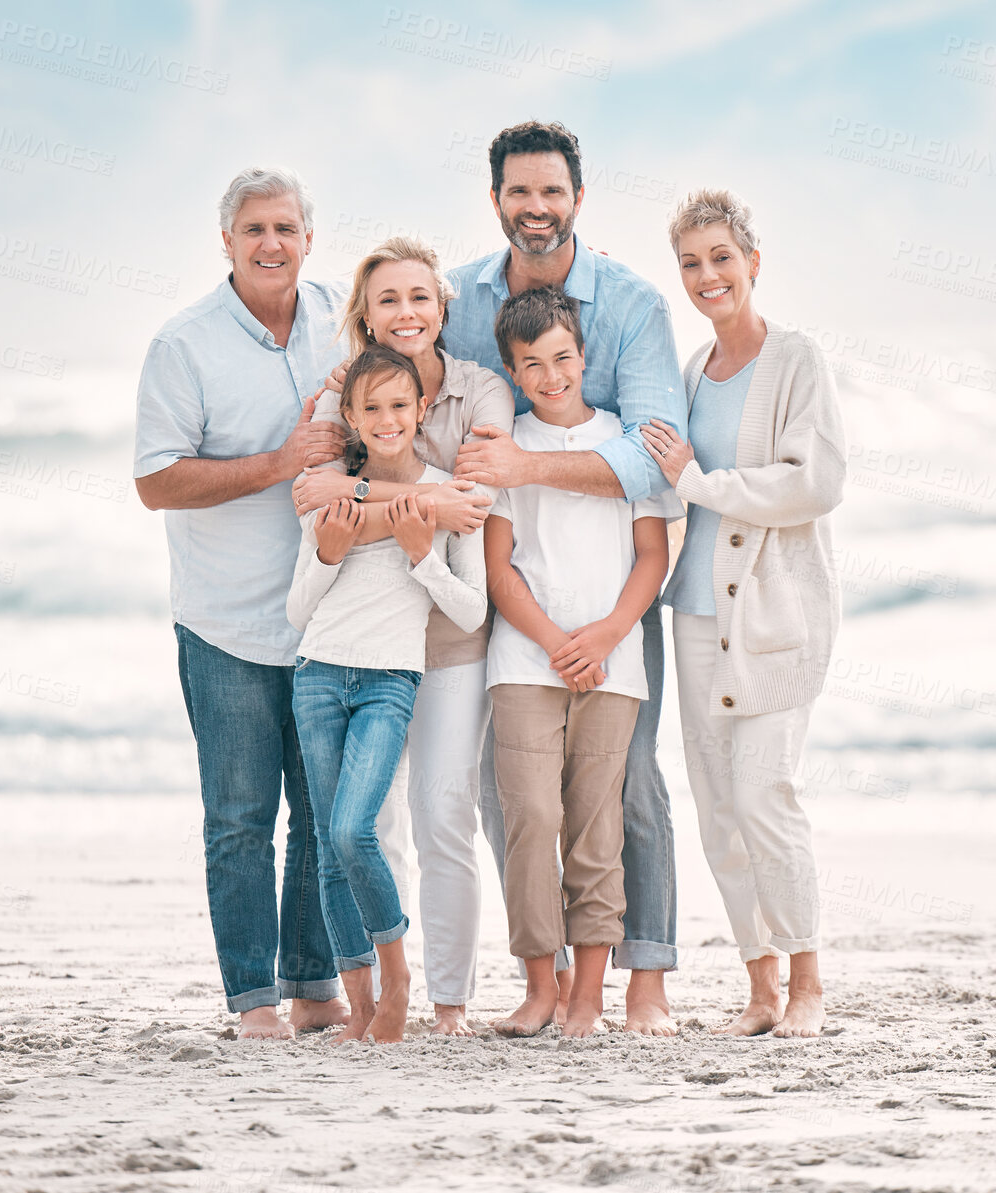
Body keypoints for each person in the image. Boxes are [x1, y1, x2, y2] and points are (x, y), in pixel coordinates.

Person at [445, 120, 689, 1035]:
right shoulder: (465, 298)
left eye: (552, 193)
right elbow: (422, 393)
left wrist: (525, 468)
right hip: (507, 593)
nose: (536, 209)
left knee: (625, 787)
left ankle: (646, 978)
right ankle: (541, 982)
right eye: (519, 193)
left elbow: (653, 460)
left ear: (578, 198)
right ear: (497, 199)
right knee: (510, 795)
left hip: (614, 602)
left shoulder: (630, 304)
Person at [133, 167, 349, 1040]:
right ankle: (253, 1001)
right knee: (238, 819)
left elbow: (432, 321)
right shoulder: (183, 345)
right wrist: (278, 462)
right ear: (226, 241)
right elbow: (155, 481)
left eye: (286, 228)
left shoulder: (344, 317)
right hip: (224, 621)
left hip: (328, 611)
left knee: (323, 817)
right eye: (254, 229)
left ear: (309, 238)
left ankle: (313, 987)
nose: (272, 244)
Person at [291, 237, 513, 1037]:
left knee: (441, 814)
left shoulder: (481, 390)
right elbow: (315, 492)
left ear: (442, 307)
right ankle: (387, 995)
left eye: (420, 297)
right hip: (357, 640)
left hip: (445, 641)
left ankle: (448, 1001)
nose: (406, 312)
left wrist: (359, 491)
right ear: (366, 314)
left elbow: (470, 503)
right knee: (364, 828)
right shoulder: (339, 394)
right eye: (388, 299)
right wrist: (405, 504)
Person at [641, 189, 846, 1038]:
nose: (707, 276)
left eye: (721, 258)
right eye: (690, 263)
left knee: (766, 792)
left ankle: (807, 984)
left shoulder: (795, 360)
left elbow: (814, 483)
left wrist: (702, 482)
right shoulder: (692, 370)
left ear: (752, 262)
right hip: (692, 613)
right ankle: (759, 987)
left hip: (773, 616)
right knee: (718, 804)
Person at [482, 287, 676, 1037]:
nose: (551, 375)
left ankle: (589, 996)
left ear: (584, 357)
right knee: (530, 817)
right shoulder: (505, 448)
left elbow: (652, 556)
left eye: (562, 357)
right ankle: (540, 986)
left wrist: (601, 636)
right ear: (512, 370)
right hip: (523, 661)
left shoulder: (628, 444)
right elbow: (500, 568)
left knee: (596, 830)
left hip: (613, 662)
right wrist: (552, 639)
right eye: (532, 364)